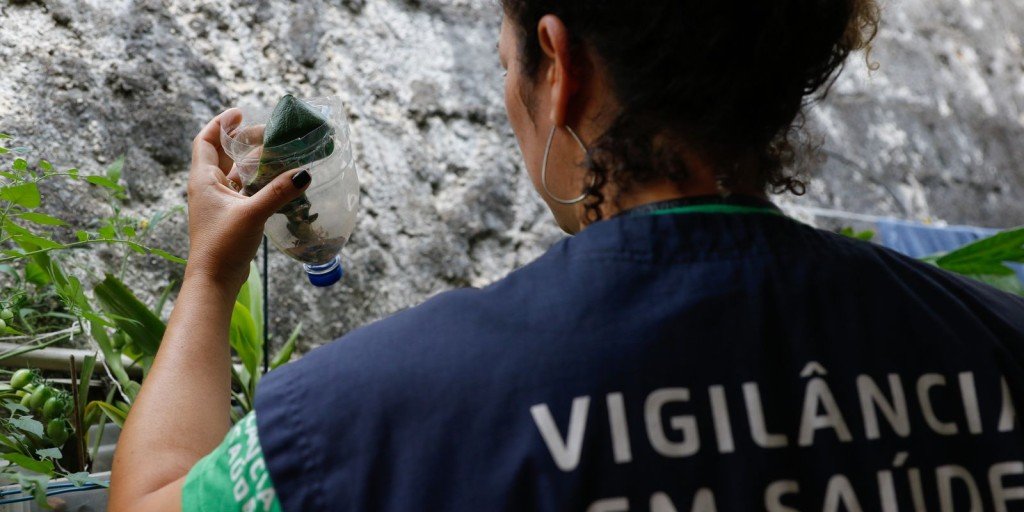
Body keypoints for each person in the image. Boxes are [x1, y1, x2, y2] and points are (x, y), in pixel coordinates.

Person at [109, 0, 1024, 510]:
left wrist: (209, 275)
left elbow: (151, 497)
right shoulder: (997, 341)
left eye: (510, 62)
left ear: (561, 66)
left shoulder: (361, 420)